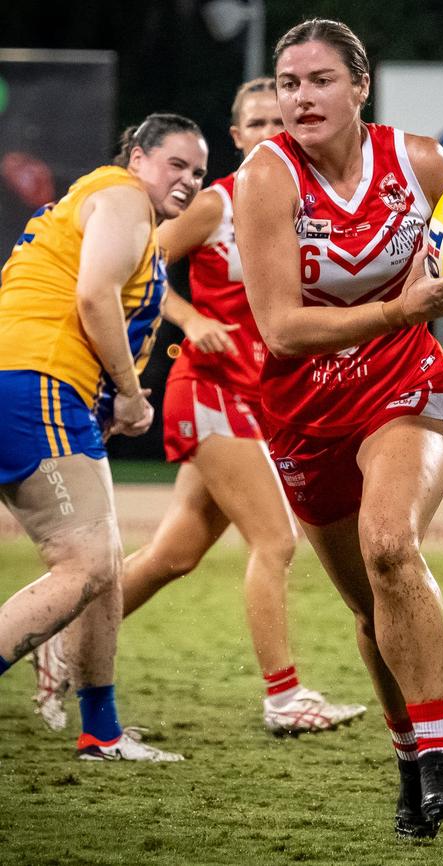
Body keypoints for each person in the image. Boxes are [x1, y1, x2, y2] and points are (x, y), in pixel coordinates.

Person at [233, 19, 443, 838]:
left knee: (391, 543)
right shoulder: (265, 178)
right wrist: (409, 305)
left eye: (319, 80)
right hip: (304, 413)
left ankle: (440, 757)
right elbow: (282, 330)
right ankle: (411, 764)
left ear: (359, 87)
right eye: (288, 83)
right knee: (368, 610)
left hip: (407, 384)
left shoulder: (423, 159)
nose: (300, 97)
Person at [31, 79, 366, 737]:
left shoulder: (307, 209)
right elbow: (142, 263)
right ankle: (283, 697)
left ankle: (61, 642)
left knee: (171, 557)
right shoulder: (220, 201)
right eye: (257, 122)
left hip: (255, 398)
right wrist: (189, 318)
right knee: (276, 539)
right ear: (238, 137)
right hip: (212, 388)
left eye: (282, 120)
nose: (273, 130)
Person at [0, 113, 209, 761]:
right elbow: (93, 298)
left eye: (199, 172)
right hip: (37, 379)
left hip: (39, 383)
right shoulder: (122, 196)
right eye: (177, 163)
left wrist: (111, 398)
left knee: (105, 564)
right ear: (139, 156)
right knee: (86, 564)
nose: (188, 180)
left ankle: (102, 730)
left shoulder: (117, 209)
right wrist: (130, 390)